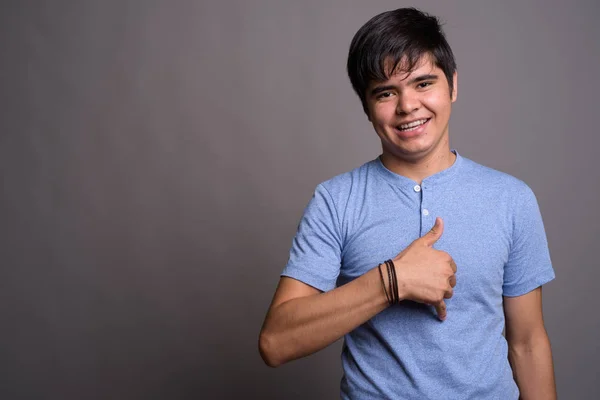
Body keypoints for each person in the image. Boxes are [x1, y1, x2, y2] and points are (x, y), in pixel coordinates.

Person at [258, 7, 556, 399]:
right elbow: (276, 342)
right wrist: (391, 282)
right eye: (385, 92)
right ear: (367, 107)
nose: (407, 106)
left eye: (423, 83)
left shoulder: (511, 199)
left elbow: (528, 343)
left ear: (452, 85)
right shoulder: (335, 201)